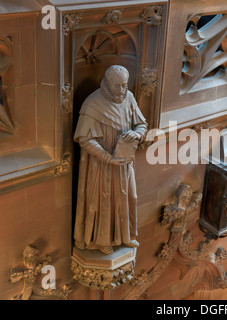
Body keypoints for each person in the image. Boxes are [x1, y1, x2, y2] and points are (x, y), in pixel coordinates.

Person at [73, 65, 147, 255]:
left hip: (124, 162)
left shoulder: (128, 98)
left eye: (125, 85)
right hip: (101, 166)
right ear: (107, 83)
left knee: (129, 197)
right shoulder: (92, 104)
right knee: (104, 202)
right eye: (118, 86)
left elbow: (141, 123)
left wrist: (136, 133)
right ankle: (101, 240)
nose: (122, 90)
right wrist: (107, 158)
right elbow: (85, 139)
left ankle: (126, 236)